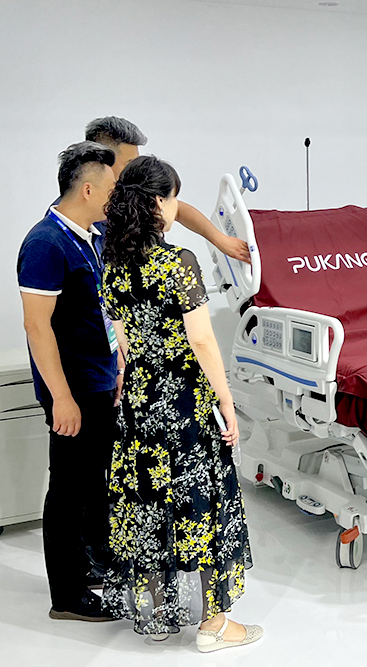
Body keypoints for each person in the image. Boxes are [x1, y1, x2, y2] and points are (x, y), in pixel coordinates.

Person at [101, 156, 261, 650]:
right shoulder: (178, 263)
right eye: (173, 198)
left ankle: (158, 610)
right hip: (185, 402)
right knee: (201, 500)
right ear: (157, 202)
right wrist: (227, 400)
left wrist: (133, 386)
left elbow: (123, 341)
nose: (176, 207)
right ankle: (214, 625)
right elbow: (202, 341)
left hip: (140, 401)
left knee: (147, 502)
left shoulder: (114, 262)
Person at [17, 142, 121, 621]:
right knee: (68, 490)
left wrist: (117, 367)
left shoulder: (90, 236)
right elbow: (37, 327)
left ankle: (90, 566)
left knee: (92, 484)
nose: (116, 197)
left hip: (98, 381)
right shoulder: (46, 244)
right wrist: (61, 397)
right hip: (72, 390)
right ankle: (67, 595)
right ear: (87, 190)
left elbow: (98, 310)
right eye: (111, 188)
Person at [84, 116, 250, 263]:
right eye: (129, 165)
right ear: (102, 162)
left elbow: (178, 210)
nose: (135, 170)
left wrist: (221, 240)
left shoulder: (128, 194)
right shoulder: (84, 211)